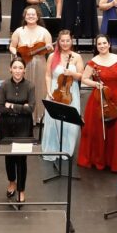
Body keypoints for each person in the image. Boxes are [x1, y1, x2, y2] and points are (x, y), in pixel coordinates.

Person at [78, 35, 117, 171]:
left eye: (104, 43)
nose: (102, 46)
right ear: (96, 46)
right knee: (98, 132)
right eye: (99, 44)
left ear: (109, 43)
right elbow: (84, 78)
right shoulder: (93, 62)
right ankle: (99, 160)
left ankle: (114, 162)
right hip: (99, 98)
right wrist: (96, 83)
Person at [41, 30, 83, 162]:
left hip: (71, 93)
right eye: (62, 41)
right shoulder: (53, 56)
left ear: (71, 41)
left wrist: (72, 73)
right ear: (58, 41)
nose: (65, 43)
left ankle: (66, 150)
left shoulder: (77, 57)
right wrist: (48, 90)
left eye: (67, 40)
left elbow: (82, 75)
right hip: (55, 90)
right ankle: (52, 149)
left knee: (70, 123)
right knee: (53, 122)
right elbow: (48, 75)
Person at [0, 58, 36, 204]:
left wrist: (12, 106)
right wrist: (22, 106)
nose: (18, 70)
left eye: (21, 68)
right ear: (10, 69)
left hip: (23, 126)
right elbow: (0, 107)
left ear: (24, 70)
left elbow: (31, 108)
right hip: (6, 125)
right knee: (9, 157)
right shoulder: (4, 85)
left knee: (21, 159)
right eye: (15, 67)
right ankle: (12, 182)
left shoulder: (30, 86)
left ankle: (21, 189)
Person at [8, 6, 53, 123]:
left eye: (33, 14)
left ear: (38, 17)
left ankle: (39, 117)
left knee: (39, 88)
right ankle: (25, 116)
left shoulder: (44, 31)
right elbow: (12, 46)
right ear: (25, 16)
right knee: (24, 89)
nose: (31, 16)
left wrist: (49, 48)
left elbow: (50, 48)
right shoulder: (19, 31)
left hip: (40, 63)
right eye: (28, 14)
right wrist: (17, 54)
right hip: (24, 64)